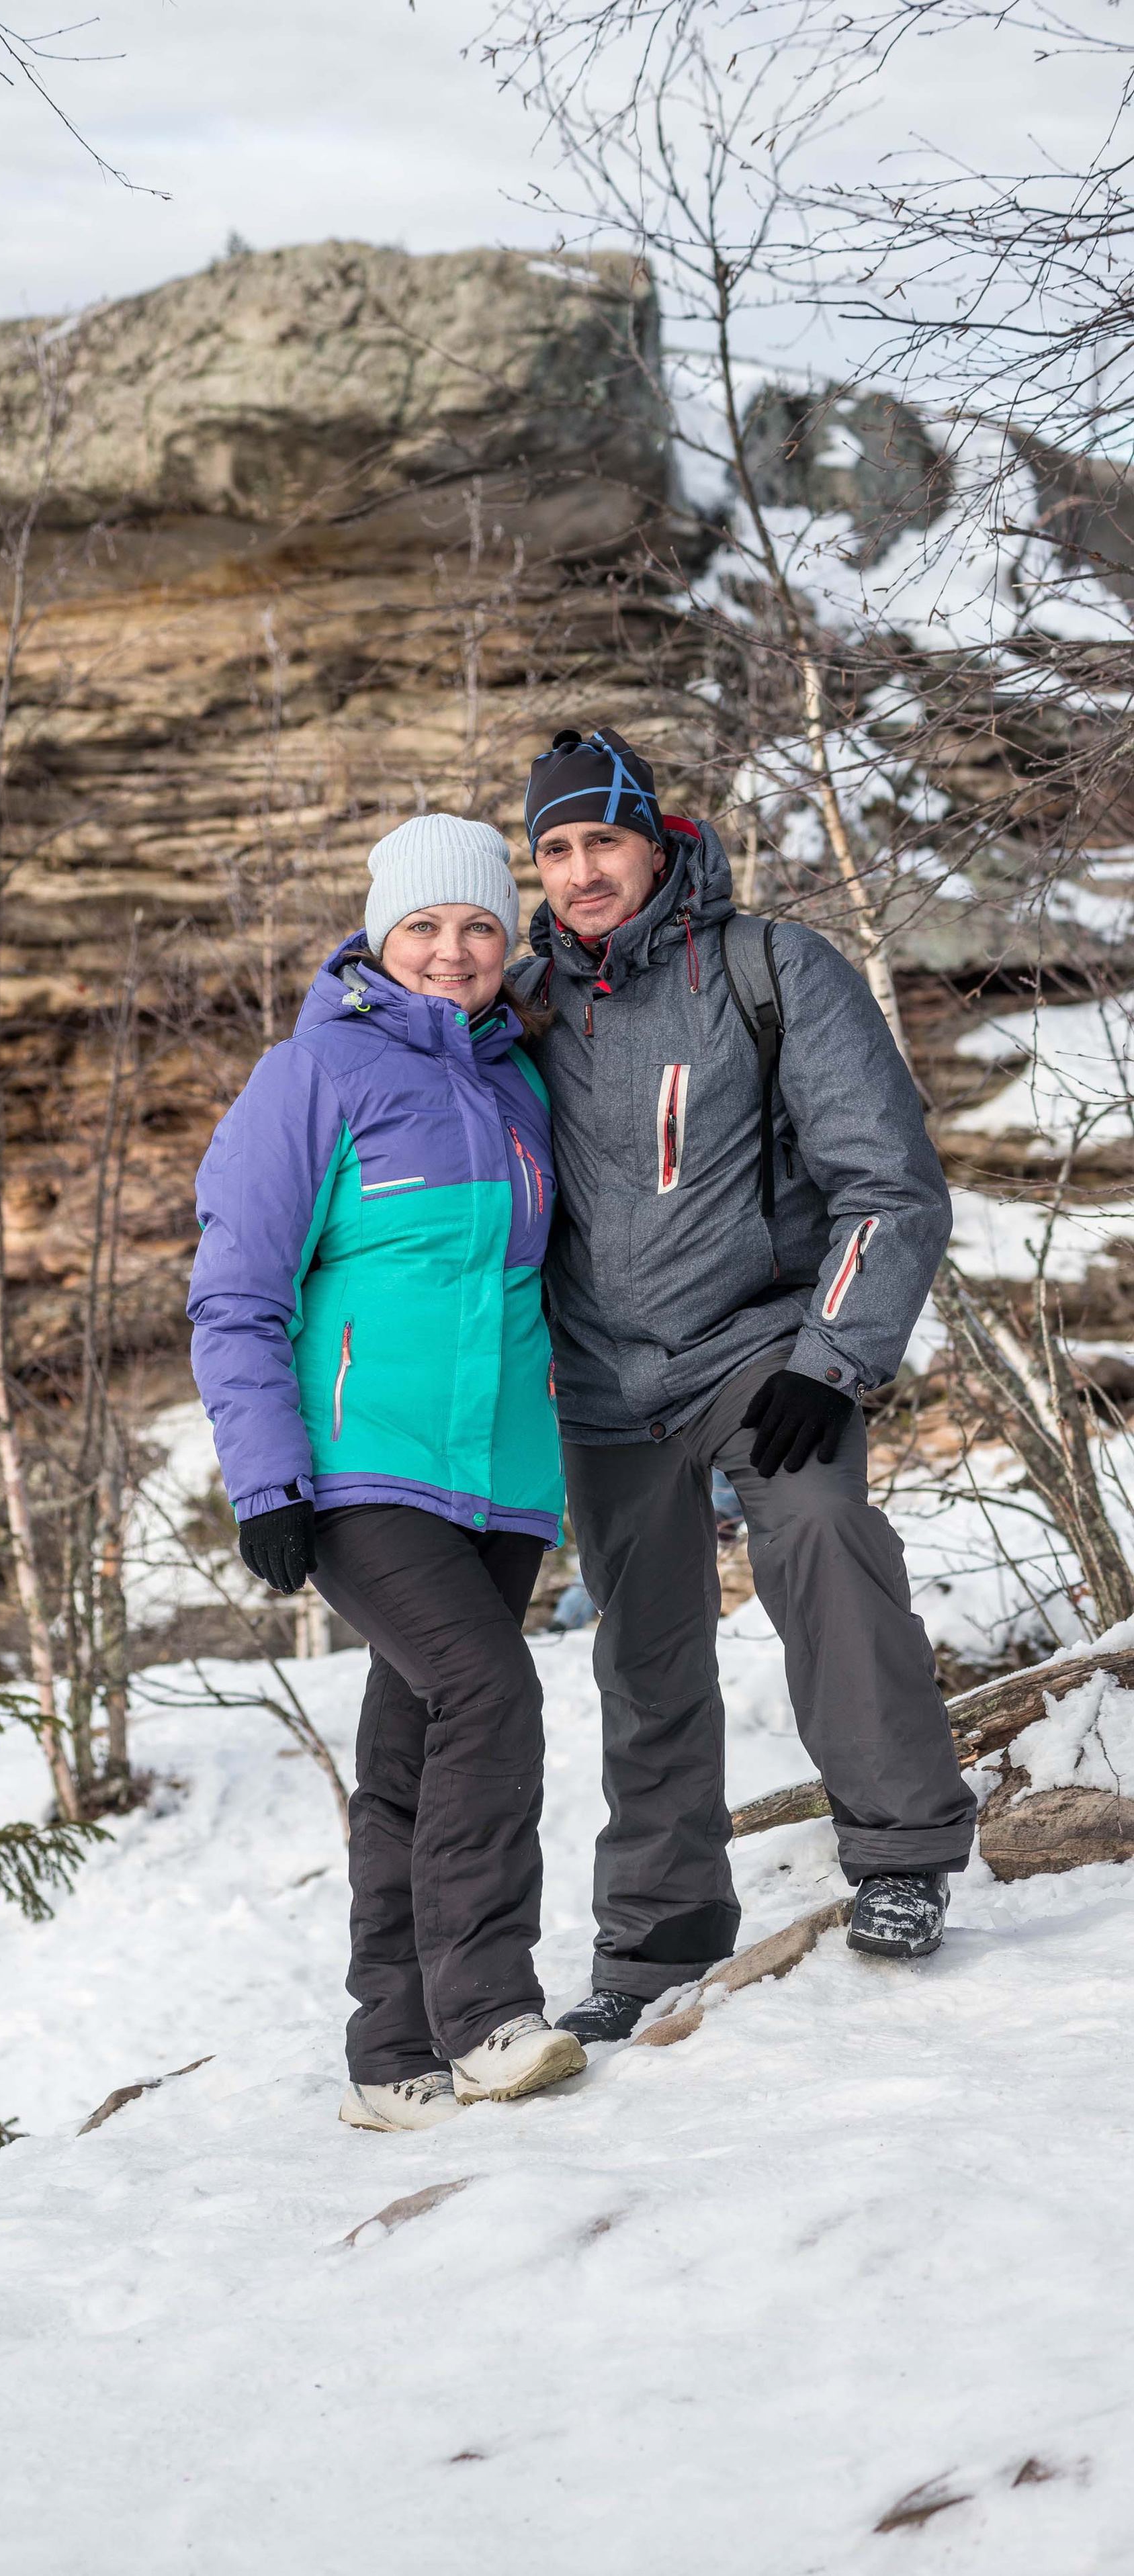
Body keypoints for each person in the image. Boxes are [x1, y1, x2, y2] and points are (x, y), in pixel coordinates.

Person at [507, 727, 977, 2045]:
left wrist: (830, 1360)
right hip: (601, 1381)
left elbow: (888, 1181)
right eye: (554, 849)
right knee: (640, 1650)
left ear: (655, 839)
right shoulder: (523, 1006)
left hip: (761, 1352)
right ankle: (652, 1940)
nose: (582, 869)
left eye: (602, 838)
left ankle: (899, 1858)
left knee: (820, 1534)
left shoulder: (772, 967)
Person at [187, 813, 584, 2129]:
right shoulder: (310, 1076)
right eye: (424, 925)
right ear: (378, 934)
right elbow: (236, 1292)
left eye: (478, 926)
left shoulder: (520, 1081)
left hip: (503, 1476)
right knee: (487, 1693)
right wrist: (265, 1482)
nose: (452, 949)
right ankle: (482, 2016)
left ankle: (389, 2054)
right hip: (361, 1468)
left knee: (412, 1748)